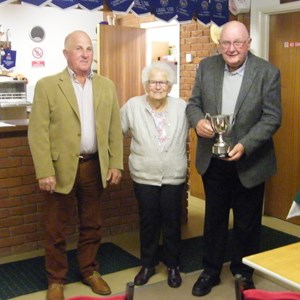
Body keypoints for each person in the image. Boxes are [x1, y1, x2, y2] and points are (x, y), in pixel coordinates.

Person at [186, 20, 281, 297]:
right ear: (219, 45)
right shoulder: (206, 67)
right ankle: (210, 271)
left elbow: (272, 117)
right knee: (213, 219)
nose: (232, 48)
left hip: (250, 162)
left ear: (248, 43)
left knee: (247, 223)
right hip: (213, 161)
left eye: (238, 42)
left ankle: (243, 272)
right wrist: (198, 122)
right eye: (226, 43)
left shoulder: (267, 72)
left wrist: (245, 144)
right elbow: (194, 104)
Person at [28, 30, 123, 300]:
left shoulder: (106, 85)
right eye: (78, 48)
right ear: (66, 54)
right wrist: (45, 170)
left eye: (89, 49)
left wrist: (115, 162)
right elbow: (38, 132)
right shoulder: (47, 85)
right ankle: (56, 279)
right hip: (58, 171)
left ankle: (89, 270)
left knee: (92, 224)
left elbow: (114, 129)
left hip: (94, 167)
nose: (85, 53)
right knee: (55, 229)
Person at [121, 61, 189, 288]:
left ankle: (173, 265)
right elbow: (115, 130)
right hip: (144, 175)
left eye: (162, 82)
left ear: (169, 86)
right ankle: (148, 264)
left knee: (172, 221)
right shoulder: (132, 106)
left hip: (173, 175)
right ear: (145, 84)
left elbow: (202, 128)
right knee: (148, 221)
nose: (157, 86)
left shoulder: (182, 107)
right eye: (152, 82)